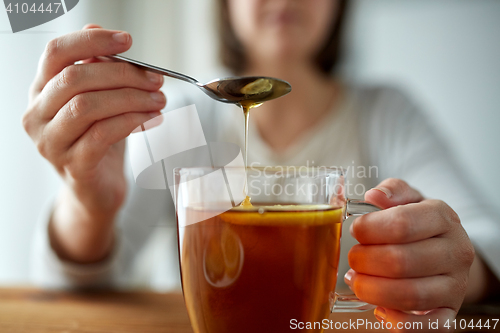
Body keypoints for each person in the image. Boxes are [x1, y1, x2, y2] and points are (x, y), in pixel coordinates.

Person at [22, 0, 500, 331]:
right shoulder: (183, 121)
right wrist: (90, 202)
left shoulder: (386, 113)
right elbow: (69, 287)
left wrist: (451, 265)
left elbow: (486, 242)